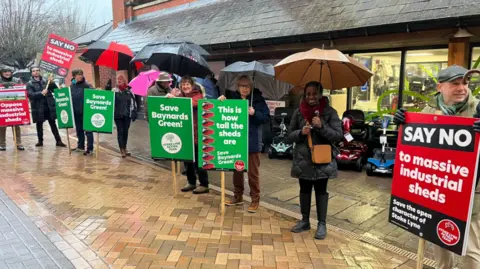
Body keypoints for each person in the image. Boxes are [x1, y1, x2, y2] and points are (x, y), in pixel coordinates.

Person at [395, 65, 480, 269]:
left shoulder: (477, 108)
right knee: (439, 240)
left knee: (470, 250)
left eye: (465, 83)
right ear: (440, 86)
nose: (462, 88)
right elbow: (418, 150)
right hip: (438, 190)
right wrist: (404, 125)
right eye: (455, 84)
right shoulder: (429, 111)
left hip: (471, 191)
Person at [287, 81, 343, 240]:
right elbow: (288, 136)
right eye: (308, 94)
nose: (311, 97)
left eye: (314, 93)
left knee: (321, 191)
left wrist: (321, 125)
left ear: (320, 94)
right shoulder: (299, 113)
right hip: (303, 159)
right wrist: (300, 133)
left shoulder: (330, 112)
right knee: (304, 190)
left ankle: (322, 224)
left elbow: (338, 135)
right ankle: (305, 220)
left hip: (323, 160)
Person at [220, 75, 270, 213]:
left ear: (251, 87)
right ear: (238, 87)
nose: (244, 88)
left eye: (247, 86)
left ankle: (255, 199)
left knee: (253, 173)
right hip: (237, 141)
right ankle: (237, 196)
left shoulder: (258, 99)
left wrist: (254, 113)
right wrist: (221, 102)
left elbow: (266, 118)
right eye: (242, 86)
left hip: (253, 141)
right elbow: (223, 112)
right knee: (237, 170)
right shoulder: (234, 99)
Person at [167, 75, 210, 194]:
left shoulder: (198, 95)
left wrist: (176, 99)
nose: (185, 86)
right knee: (187, 160)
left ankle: (204, 184)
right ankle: (191, 182)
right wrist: (170, 96)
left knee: (199, 160)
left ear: (192, 86)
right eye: (183, 84)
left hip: (197, 133)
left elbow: (192, 104)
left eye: (187, 84)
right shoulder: (180, 96)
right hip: (184, 133)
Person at [26, 67, 66, 147]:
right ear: (31, 73)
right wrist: (41, 93)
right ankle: (40, 141)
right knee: (39, 124)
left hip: (48, 106)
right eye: (34, 71)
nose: (36, 72)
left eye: (37, 70)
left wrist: (52, 83)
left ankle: (58, 141)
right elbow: (30, 95)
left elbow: (55, 90)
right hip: (38, 107)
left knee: (53, 123)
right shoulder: (29, 84)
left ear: (39, 71)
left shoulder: (46, 81)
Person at [70, 69, 94, 156]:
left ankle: (90, 148)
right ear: (74, 76)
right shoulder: (72, 85)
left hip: (85, 112)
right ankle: (80, 146)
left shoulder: (87, 85)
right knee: (79, 130)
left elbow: (93, 95)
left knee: (88, 131)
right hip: (76, 112)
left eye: (81, 74)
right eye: (78, 75)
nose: (80, 76)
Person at [0, 67, 24, 151]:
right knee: (2, 126)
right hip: (2, 107)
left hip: (15, 106)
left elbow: (22, 91)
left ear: (11, 72)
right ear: (2, 73)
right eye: (5, 71)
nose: (7, 73)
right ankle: (2, 144)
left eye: (9, 71)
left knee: (16, 125)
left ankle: (18, 143)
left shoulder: (17, 80)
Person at [113, 75, 137, 158]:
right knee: (120, 131)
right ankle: (121, 149)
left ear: (124, 81)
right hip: (117, 115)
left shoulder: (129, 91)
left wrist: (133, 112)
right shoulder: (114, 91)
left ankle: (125, 147)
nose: (118, 81)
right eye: (117, 79)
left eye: (120, 79)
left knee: (126, 132)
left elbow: (133, 102)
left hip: (127, 115)